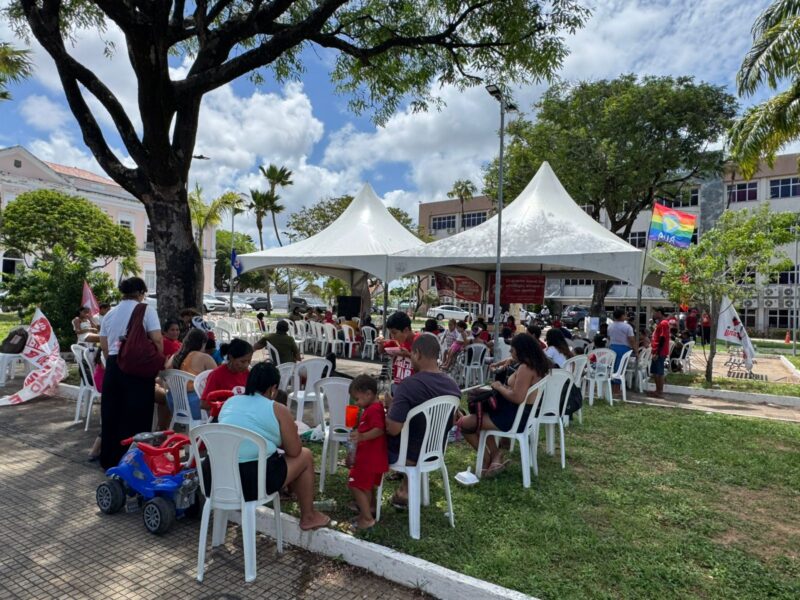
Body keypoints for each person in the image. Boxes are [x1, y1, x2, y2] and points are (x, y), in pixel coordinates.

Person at [211, 362, 330, 531]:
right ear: (273, 388)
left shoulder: (230, 402)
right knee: (305, 455)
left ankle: (291, 493)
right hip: (252, 482)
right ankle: (308, 516)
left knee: (272, 458)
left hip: (219, 478)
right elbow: (294, 451)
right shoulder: (277, 409)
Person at [384, 334, 460, 508]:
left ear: (417, 354)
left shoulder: (408, 385)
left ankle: (367, 500)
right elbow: (451, 422)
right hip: (435, 452)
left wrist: (391, 408)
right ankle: (407, 486)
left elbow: (393, 429)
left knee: (369, 435)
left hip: (406, 454)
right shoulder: (453, 386)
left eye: (411, 354)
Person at [459, 334, 549, 476]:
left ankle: (488, 458)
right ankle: (495, 456)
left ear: (521, 350)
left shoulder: (525, 368)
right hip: (523, 415)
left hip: (512, 418)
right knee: (480, 414)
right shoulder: (537, 365)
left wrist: (500, 387)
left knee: (463, 423)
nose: (510, 352)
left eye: (512, 349)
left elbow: (518, 397)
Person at [98, 277, 163, 469]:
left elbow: (104, 345)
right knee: (137, 414)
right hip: (137, 368)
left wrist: (113, 362)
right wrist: (157, 360)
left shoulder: (110, 314)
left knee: (112, 413)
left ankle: (110, 458)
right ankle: (134, 461)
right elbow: (157, 339)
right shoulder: (146, 310)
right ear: (141, 293)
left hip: (113, 365)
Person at [347, 375, 388, 531]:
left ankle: (367, 519)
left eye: (357, 399)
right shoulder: (372, 408)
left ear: (368, 394)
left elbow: (379, 429)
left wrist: (362, 436)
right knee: (366, 487)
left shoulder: (374, 409)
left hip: (369, 458)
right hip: (371, 457)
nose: (356, 403)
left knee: (354, 484)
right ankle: (368, 510)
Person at [165, 328, 217, 420]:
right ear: (203, 343)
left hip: (174, 405)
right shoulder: (205, 358)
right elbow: (218, 378)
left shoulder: (175, 356)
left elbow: (165, 374)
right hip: (195, 407)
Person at [200, 339, 253, 410]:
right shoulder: (217, 375)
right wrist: (226, 404)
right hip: (225, 413)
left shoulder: (247, 373)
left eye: (249, 361)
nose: (246, 365)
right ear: (231, 358)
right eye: (242, 361)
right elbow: (204, 404)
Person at [377, 312, 420, 392]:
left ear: (406, 330)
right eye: (390, 333)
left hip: (414, 388)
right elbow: (381, 351)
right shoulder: (396, 341)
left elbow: (424, 365)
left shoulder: (419, 341)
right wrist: (380, 343)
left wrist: (408, 355)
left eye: (394, 333)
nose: (392, 336)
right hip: (398, 385)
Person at [607, 309, 636, 395]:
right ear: (622, 316)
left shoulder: (610, 326)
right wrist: (635, 350)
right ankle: (616, 389)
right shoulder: (627, 327)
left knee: (612, 368)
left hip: (612, 347)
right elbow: (631, 339)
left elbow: (609, 337)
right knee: (620, 369)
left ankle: (611, 388)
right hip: (623, 349)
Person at [649, 309, 671, 398]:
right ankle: (657, 390)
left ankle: (660, 391)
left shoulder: (663, 323)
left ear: (659, 313)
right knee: (655, 372)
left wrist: (657, 352)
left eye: (654, 313)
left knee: (658, 372)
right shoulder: (660, 323)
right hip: (657, 350)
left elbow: (662, 338)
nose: (653, 314)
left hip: (660, 351)